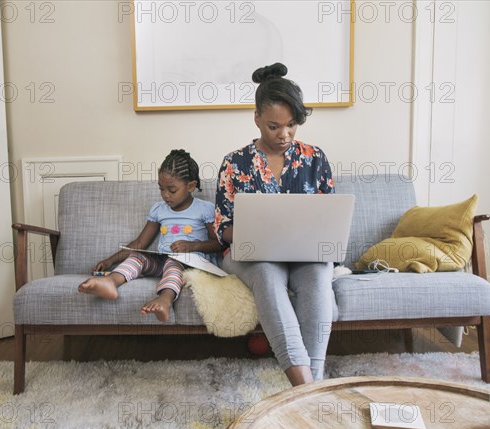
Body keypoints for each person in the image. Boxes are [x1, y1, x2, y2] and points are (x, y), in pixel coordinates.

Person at [214, 63, 335, 386]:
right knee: (267, 273)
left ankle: (313, 381)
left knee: (320, 273)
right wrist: (253, 232)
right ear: (256, 118)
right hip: (252, 255)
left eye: (292, 125)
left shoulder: (315, 158)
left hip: (304, 255)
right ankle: (306, 390)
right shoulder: (234, 163)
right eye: (274, 126)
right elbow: (221, 227)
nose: (284, 135)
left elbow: (330, 217)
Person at [79, 149, 222, 322]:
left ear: (191, 186)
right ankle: (111, 282)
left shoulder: (204, 209)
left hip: (190, 264)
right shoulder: (159, 209)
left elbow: (219, 243)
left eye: (172, 189)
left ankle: (165, 300)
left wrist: (192, 246)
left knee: (174, 262)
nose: (165, 195)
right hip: (162, 261)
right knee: (138, 256)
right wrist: (110, 261)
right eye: (161, 189)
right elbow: (140, 242)